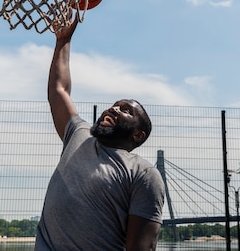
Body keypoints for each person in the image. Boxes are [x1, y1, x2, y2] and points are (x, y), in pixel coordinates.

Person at [35, 18, 165, 251]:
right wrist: (63, 40)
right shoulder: (79, 135)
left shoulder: (144, 174)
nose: (114, 108)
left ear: (138, 135)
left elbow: (141, 248)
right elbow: (58, 90)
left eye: (126, 110)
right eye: (115, 104)